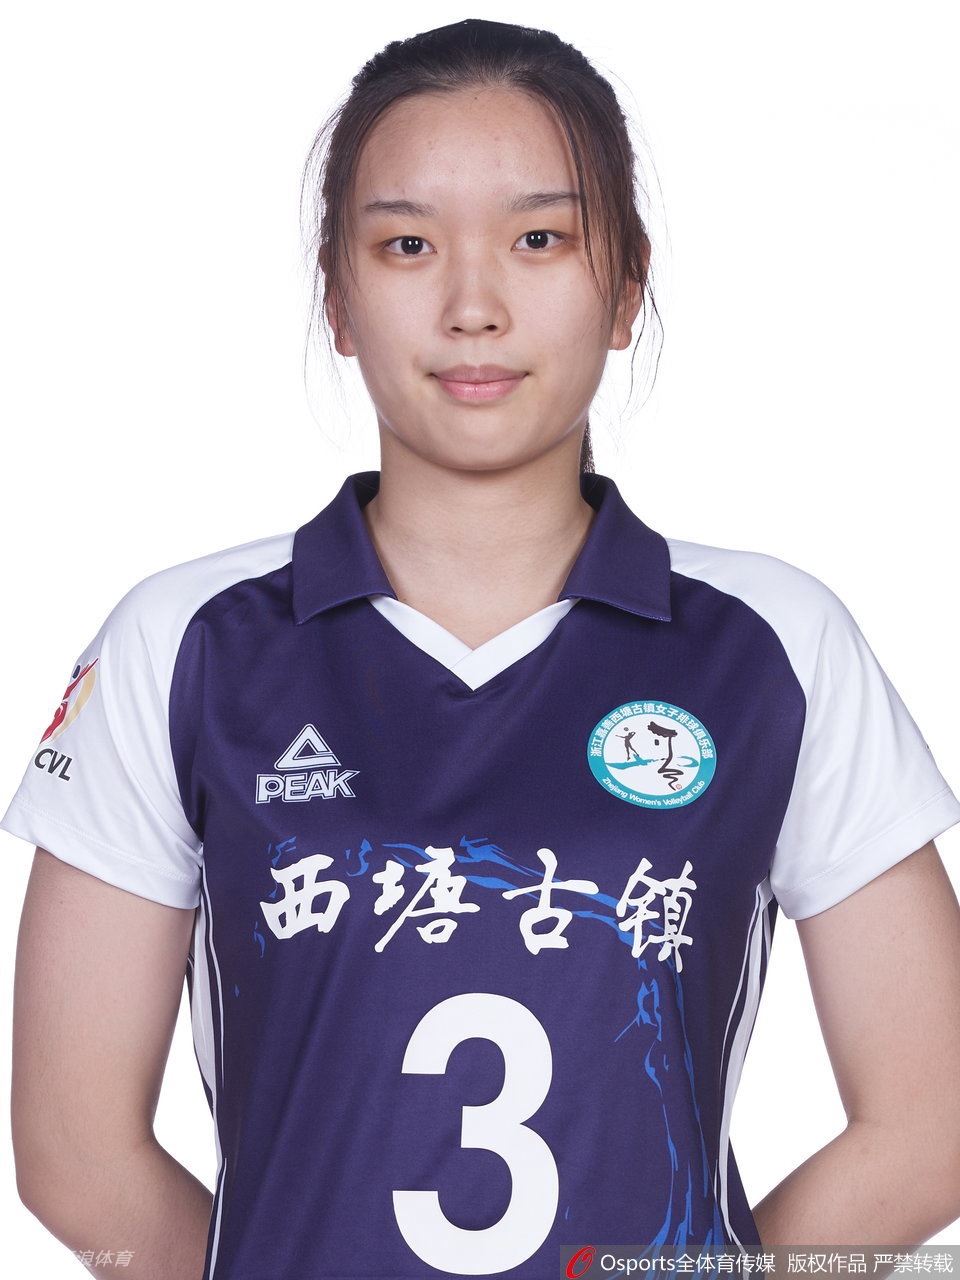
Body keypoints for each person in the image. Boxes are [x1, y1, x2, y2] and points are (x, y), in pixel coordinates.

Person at [4, 17, 960, 1280]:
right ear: (337, 298)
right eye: (407, 244)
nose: (472, 306)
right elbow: (75, 1151)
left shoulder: (773, 645)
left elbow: (932, 1119)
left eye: (539, 238)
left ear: (626, 289)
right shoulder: (184, 644)